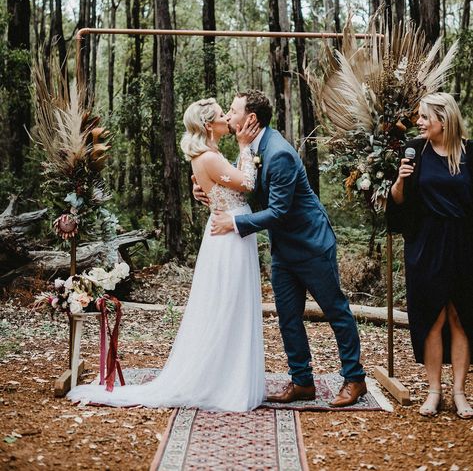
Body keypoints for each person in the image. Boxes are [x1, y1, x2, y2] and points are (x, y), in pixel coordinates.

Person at [68, 98, 265, 412]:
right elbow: (247, 184)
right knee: (229, 304)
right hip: (229, 237)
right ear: (208, 125)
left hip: (230, 232)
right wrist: (244, 145)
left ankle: (227, 374)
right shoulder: (209, 157)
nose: (227, 118)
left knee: (230, 304)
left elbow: (218, 190)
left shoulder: (208, 155)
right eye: (220, 116)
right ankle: (226, 383)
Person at [205, 89, 367, 407]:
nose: (228, 114)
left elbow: (278, 210)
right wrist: (211, 193)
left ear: (250, 118)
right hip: (283, 249)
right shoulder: (251, 148)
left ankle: (354, 378)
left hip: (311, 245)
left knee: (336, 311)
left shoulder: (278, 153)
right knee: (288, 317)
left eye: (233, 110)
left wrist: (234, 224)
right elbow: (247, 188)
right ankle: (302, 381)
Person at [387, 92, 473, 418]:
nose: (419, 122)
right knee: (433, 317)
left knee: (461, 316)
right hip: (426, 243)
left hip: (464, 243)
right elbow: (398, 201)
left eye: (425, 117)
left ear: (444, 119)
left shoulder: (469, 152)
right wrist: (400, 180)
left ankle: (460, 393)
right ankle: (434, 391)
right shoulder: (416, 151)